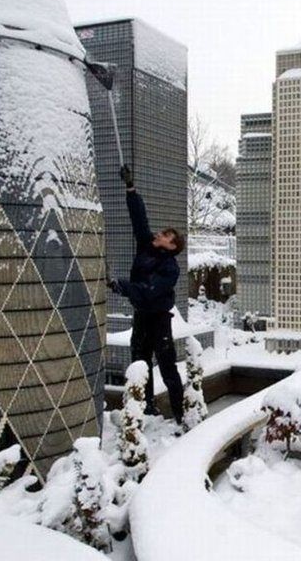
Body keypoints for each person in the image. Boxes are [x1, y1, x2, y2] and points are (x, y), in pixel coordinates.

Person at [107, 165, 185, 423]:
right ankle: (147, 407)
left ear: (172, 246)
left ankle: (180, 414)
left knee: (167, 367)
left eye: (165, 235)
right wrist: (131, 188)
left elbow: (148, 291)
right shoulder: (146, 245)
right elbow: (138, 218)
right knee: (139, 365)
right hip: (141, 316)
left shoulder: (169, 268)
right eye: (162, 232)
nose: (159, 234)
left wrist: (121, 285)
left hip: (159, 319)